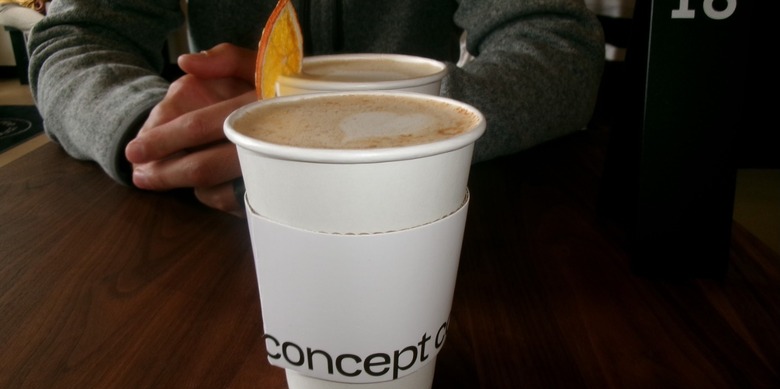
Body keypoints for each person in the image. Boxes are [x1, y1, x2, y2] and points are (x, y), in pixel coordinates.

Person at [27, 0, 605, 216]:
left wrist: (414, 119)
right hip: (213, 224)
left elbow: (559, 45)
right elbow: (74, 37)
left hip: (418, 208)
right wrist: (153, 126)